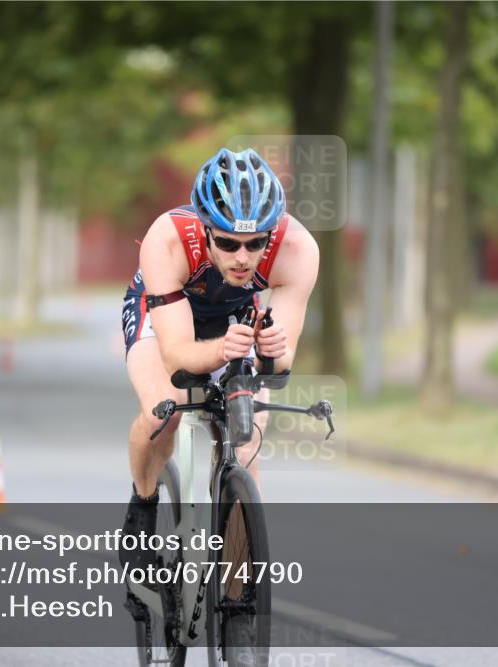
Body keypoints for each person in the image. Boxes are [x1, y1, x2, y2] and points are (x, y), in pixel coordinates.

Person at [118, 147, 319, 567]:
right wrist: (221, 352)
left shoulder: (297, 250)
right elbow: (177, 358)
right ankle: (143, 503)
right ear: (206, 229)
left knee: (245, 447)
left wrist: (270, 352)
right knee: (163, 413)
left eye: (255, 243)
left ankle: (237, 599)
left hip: (234, 318)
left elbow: (280, 366)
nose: (242, 257)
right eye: (227, 243)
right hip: (167, 314)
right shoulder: (169, 238)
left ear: (271, 234)